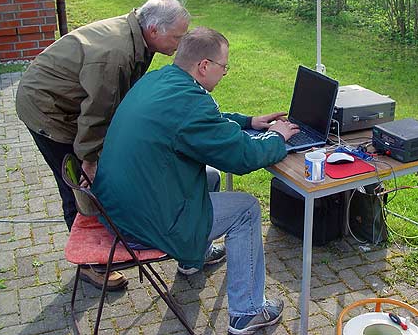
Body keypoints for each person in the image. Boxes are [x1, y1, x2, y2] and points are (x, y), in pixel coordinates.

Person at [91, 27, 300, 334]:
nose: (225, 73)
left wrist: (248, 122)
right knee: (245, 209)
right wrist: (277, 139)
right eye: (223, 67)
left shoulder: (159, 79)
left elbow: (201, 122)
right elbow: (241, 157)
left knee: (210, 176)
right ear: (204, 66)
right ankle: (248, 312)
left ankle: (194, 258)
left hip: (116, 207)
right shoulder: (190, 104)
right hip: (140, 225)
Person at [15, 0, 197, 290]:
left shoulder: (138, 38)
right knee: (77, 183)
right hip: (47, 110)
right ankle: (91, 264)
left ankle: (108, 234)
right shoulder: (115, 54)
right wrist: (90, 159)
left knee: (96, 170)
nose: (182, 42)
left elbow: (117, 99)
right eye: (178, 36)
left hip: (73, 103)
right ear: (154, 31)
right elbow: (96, 115)